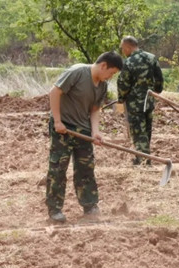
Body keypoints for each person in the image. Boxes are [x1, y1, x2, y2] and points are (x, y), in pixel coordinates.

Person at [46, 51, 123, 223]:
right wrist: (57, 121)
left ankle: (90, 205)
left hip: (83, 130)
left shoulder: (102, 85)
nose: (110, 77)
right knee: (58, 167)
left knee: (86, 167)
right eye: (111, 73)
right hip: (63, 127)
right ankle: (54, 209)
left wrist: (95, 132)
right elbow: (54, 92)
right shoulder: (77, 72)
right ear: (103, 66)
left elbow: (94, 110)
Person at [117, 36, 164, 165]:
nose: (123, 51)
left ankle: (143, 161)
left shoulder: (129, 62)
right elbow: (159, 79)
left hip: (135, 103)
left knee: (138, 131)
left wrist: (121, 98)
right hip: (149, 101)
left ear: (128, 47)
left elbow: (123, 83)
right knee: (147, 130)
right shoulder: (152, 58)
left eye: (122, 48)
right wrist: (157, 91)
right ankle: (143, 157)